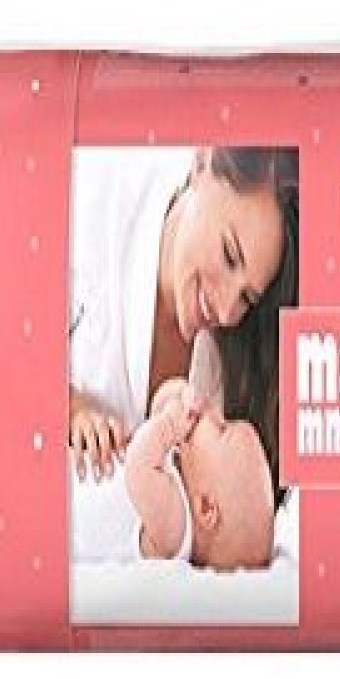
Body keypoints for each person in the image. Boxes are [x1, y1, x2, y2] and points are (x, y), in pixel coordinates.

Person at [69, 145, 298, 509]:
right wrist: (71, 409)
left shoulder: (239, 371)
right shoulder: (88, 200)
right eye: (230, 255)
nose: (226, 310)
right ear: (202, 162)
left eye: (247, 298)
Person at [70, 377, 274, 570]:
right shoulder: (179, 475)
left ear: (205, 508)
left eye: (222, 429)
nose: (214, 414)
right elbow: (157, 409)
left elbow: (139, 466)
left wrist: (169, 424)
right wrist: (180, 394)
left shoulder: (176, 532)